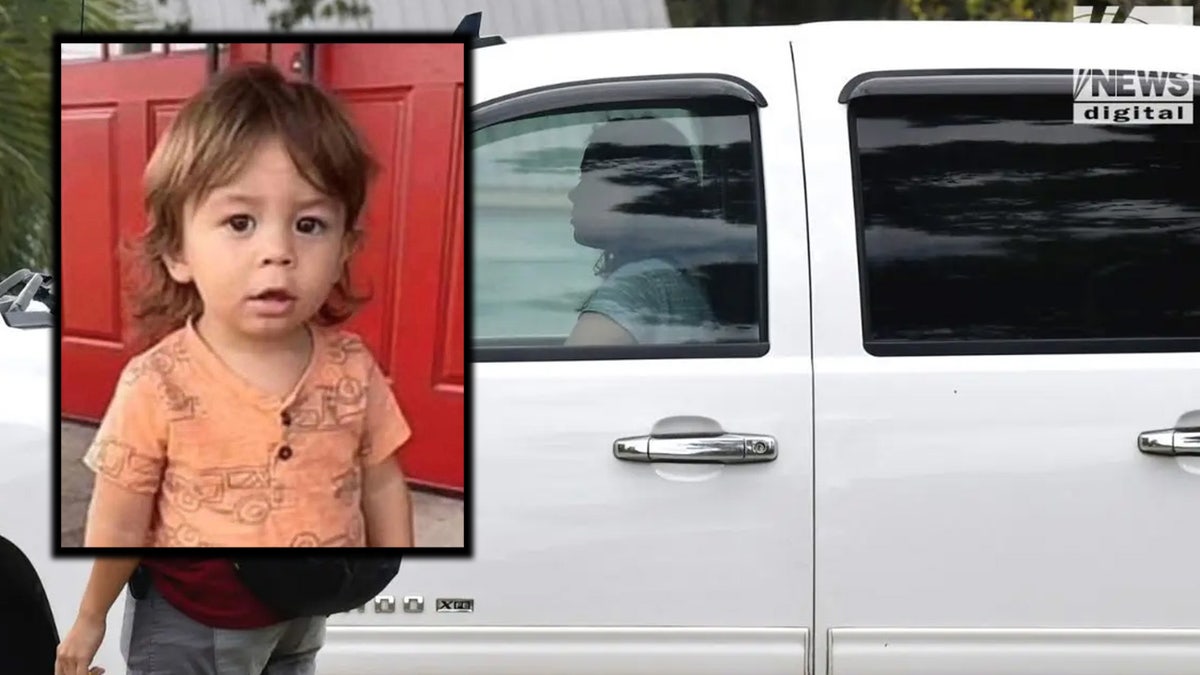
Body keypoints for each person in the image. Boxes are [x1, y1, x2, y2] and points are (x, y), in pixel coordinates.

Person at [55, 62, 415, 674]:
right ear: (176, 251)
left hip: (304, 609)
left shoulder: (352, 366)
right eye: (240, 222)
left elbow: (380, 476)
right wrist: (91, 616)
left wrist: (383, 570)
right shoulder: (158, 383)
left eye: (309, 224)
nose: (277, 250)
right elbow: (120, 519)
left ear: (345, 248)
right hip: (196, 623)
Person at [563, 117, 720, 346]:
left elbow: (566, 380)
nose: (573, 194)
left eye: (587, 178)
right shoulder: (675, 277)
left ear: (635, 194)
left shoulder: (635, 291)